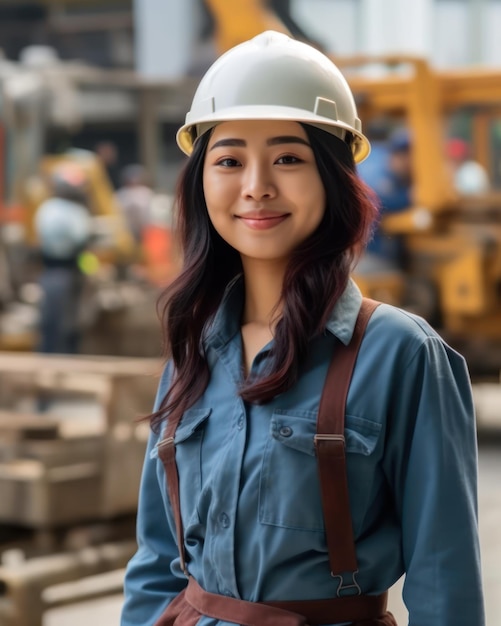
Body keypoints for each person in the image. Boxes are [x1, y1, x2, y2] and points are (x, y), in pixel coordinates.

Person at [121, 31, 485, 626]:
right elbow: (157, 564)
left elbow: (445, 578)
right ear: (201, 182)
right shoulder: (192, 356)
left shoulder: (401, 354)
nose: (257, 185)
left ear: (333, 177)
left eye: (288, 157)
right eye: (229, 160)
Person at [34, 163, 93, 356]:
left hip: (49, 271)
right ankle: (65, 356)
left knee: (50, 318)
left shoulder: (46, 208)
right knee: (68, 321)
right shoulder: (76, 212)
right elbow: (81, 238)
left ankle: (48, 354)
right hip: (69, 270)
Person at [357, 128, 413, 273]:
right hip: (368, 256)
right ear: (394, 155)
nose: (409, 162)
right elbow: (375, 201)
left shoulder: (405, 179)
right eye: (404, 155)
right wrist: (408, 197)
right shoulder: (375, 171)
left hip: (390, 257)